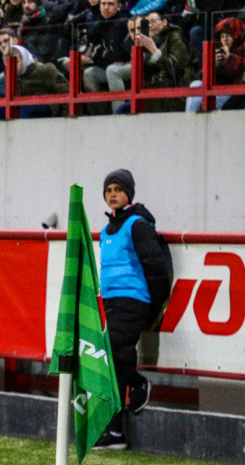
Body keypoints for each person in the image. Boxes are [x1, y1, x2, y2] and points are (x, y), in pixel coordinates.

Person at [93, 169, 171, 450]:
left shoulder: (137, 224)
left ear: (129, 194)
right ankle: (115, 431)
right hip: (112, 301)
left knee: (115, 350)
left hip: (134, 300)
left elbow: (156, 267)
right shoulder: (106, 230)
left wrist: (155, 307)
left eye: (118, 189)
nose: (112, 194)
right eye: (108, 190)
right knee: (113, 359)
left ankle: (137, 384)